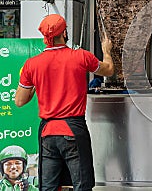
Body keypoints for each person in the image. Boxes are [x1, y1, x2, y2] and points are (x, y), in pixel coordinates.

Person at [15, 14, 114, 191]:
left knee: (48, 187)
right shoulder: (81, 57)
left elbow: (20, 101)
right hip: (74, 130)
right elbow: (109, 70)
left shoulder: (32, 65)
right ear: (65, 33)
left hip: (47, 134)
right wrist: (107, 51)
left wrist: (39, 82)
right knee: (81, 185)